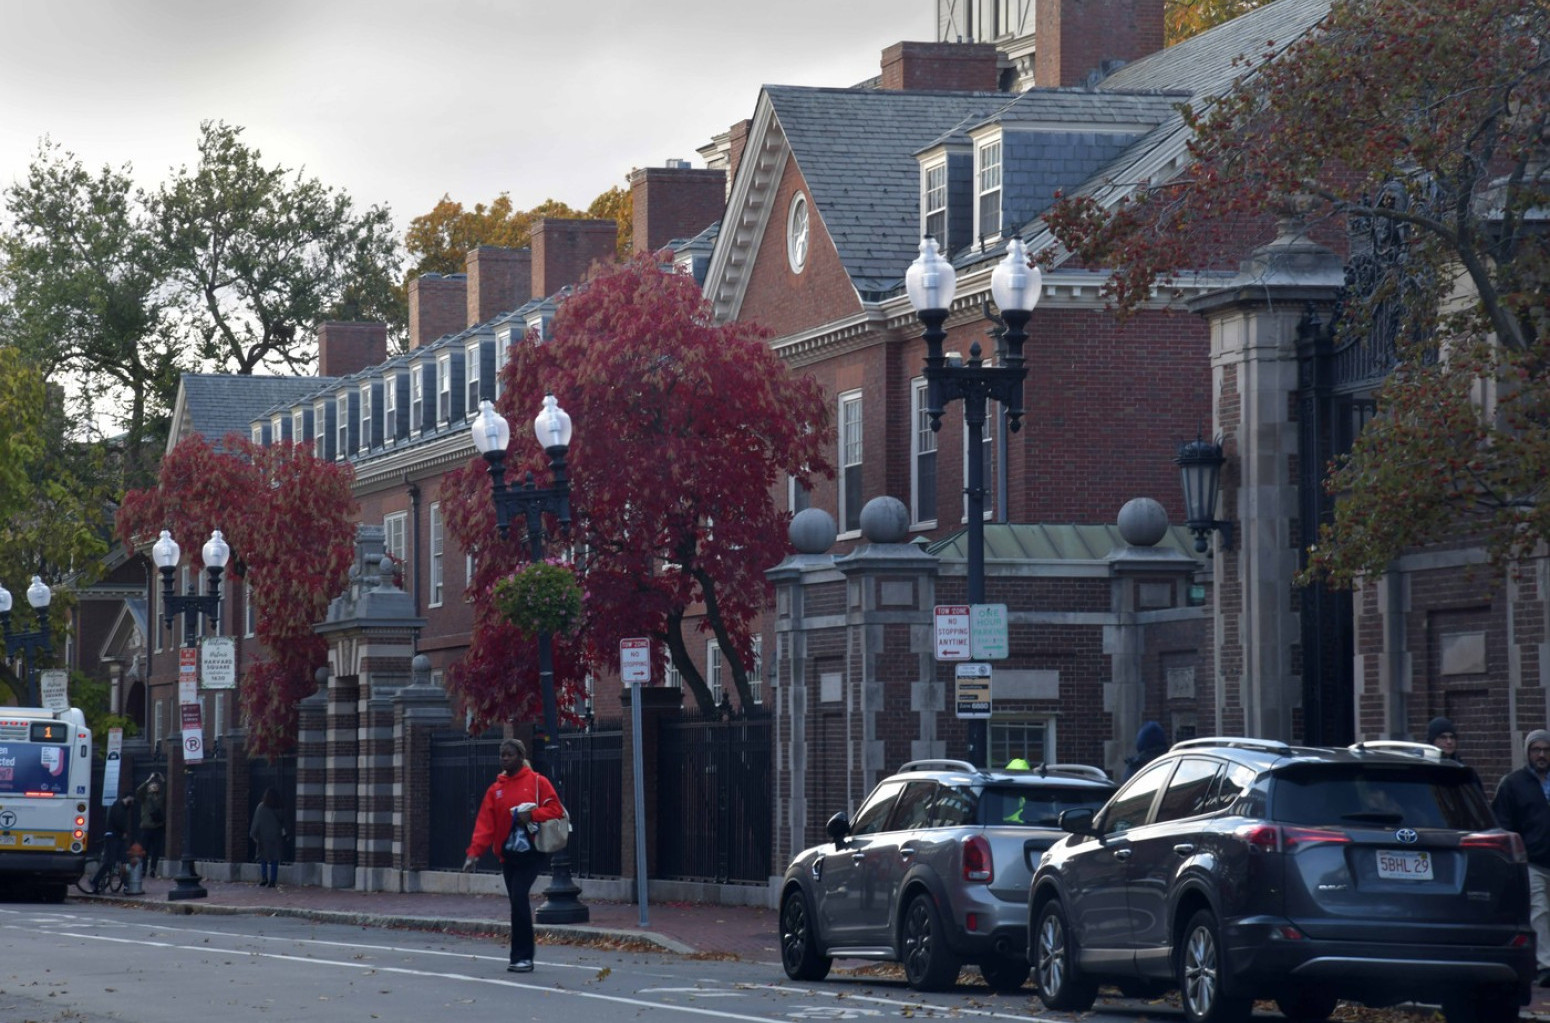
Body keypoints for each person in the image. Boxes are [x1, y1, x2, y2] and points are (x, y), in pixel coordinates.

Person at [462, 738, 565, 973]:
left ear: (520, 756)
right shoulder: (495, 790)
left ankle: (524, 956)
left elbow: (556, 810)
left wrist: (532, 815)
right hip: (508, 855)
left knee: (519, 897)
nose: (505, 759)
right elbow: (485, 824)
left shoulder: (538, 782)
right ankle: (517, 957)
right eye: (502, 755)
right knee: (515, 903)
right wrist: (474, 853)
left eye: (509, 755)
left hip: (532, 853)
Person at [1492, 729, 1550, 987]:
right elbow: (1503, 822)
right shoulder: (1513, 784)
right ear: (1527, 752)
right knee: (1540, 911)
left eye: (1546, 750)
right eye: (1536, 750)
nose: (1541, 755)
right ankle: (1546, 966)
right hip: (1533, 861)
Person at [91, 793, 135, 892]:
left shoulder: (123, 808)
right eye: (131, 801)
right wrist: (124, 831)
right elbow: (118, 821)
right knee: (110, 862)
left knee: (123, 861)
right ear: (127, 798)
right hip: (112, 837)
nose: (131, 804)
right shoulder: (118, 806)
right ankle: (95, 881)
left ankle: (126, 886)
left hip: (118, 838)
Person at [249, 787, 286, 888]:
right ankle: (273, 880)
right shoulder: (279, 807)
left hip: (263, 837)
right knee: (275, 859)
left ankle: (264, 878)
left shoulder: (261, 807)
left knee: (263, 859)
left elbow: (256, 822)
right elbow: (284, 821)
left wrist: (253, 834)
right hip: (276, 837)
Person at [135, 772, 167, 878]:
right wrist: (148, 780)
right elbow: (138, 791)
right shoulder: (145, 798)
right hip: (146, 827)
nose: (154, 787)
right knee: (145, 850)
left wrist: (162, 780)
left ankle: (153, 869)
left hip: (157, 827)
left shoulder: (160, 798)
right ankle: (144, 869)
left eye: (155, 786)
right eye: (152, 786)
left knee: (155, 850)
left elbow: (166, 790)